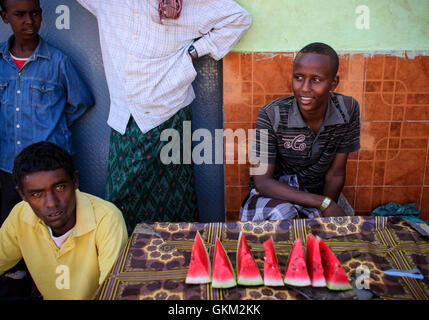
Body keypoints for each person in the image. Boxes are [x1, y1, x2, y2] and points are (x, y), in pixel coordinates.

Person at [75, 0, 252, 234]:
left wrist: (194, 51)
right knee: (119, 204)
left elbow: (239, 19)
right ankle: (126, 266)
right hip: (126, 118)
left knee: (177, 202)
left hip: (171, 113)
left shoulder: (188, 4)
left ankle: (180, 265)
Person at [240, 42, 361, 221]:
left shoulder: (347, 110)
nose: (305, 87)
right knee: (284, 215)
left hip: (316, 195)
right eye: (298, 77)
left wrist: (325, 212)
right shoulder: (271, 115)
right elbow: (262, 182)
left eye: (316, 80)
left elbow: (336, 173)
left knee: (332, 232)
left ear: (333, 83)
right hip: (275, 195)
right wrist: (323, 203)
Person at [0, 0, 94, 226]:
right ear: (5, 17)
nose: (29, 21)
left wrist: (54, 124)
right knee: (12, 227)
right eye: (20, 15)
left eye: (34, 14)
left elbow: (81, 101)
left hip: (51, 169)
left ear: (41, 15)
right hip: (7, 165)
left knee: (58, 227)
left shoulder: (58, 61)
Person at [0, 142, 128, 300]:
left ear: (75, 181)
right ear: (23, 195)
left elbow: (113, 292)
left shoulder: (107, 218)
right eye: (37, 194)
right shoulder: (20, 216)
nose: (51, 203)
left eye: (60, 187)